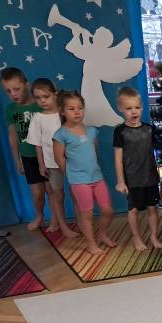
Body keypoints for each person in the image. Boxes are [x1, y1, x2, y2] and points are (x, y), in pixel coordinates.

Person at [52, 91, 116, 255]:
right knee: (87, 214)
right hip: (79, 180)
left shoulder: (92, 131)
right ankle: (91, 244)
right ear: (62, 111)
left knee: (108, 210)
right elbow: (59, 158)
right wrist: (72, 175)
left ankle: (102, 234)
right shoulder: (61, 135)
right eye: (71, 109)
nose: (77, 112)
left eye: (80, 108)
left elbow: (94, 151)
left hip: (96, 177)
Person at [25, 78, 77, 238]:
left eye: (46, 96)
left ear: (55, 94)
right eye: (38, 98)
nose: (42, 101)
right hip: (52, 164)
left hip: (71, 162)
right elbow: (38, 144)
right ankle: (63, 226)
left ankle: (81, 222)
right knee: (58, 196)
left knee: (76, 193)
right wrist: (41, 164)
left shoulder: (63, 114)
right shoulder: (37, 118)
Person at [114, 86, 162, 251]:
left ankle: (154, 236)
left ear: (142, 107)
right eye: (129, 108)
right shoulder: (120, 131)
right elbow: (118, 159)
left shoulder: (149, 129)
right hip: (132, 179)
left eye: (136, 107)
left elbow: (159, 148)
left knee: (152, 209)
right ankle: (136, 238)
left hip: (150, 177)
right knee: (134, 210)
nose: (134, 111)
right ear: (121, 109)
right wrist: (121, 181)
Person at [1, 67, 44, 230]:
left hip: (46, 155)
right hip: (28, 156)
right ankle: (39, 215)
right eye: (8, 91)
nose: (13, 94)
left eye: (16, 89)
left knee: (52, 190)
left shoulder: (40, 105)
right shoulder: (11, 110)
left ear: (27, 84)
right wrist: (17, 159)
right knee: (37, 192)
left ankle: (56, 220)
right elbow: (12, 135)